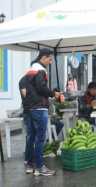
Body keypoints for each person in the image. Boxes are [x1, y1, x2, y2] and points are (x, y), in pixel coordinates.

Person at [19, 48, 61, 176]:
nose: (50, 61)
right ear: (43, 57)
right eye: (49, 58)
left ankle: (29, 164)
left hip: (29, 109)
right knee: (40, 138)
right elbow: (41, 87)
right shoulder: (41, 70)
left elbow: (21, 83)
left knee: (31, 136)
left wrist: (25, 98)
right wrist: (54, 93)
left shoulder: (30, 70)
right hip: (39, 108)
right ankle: (39, 167)